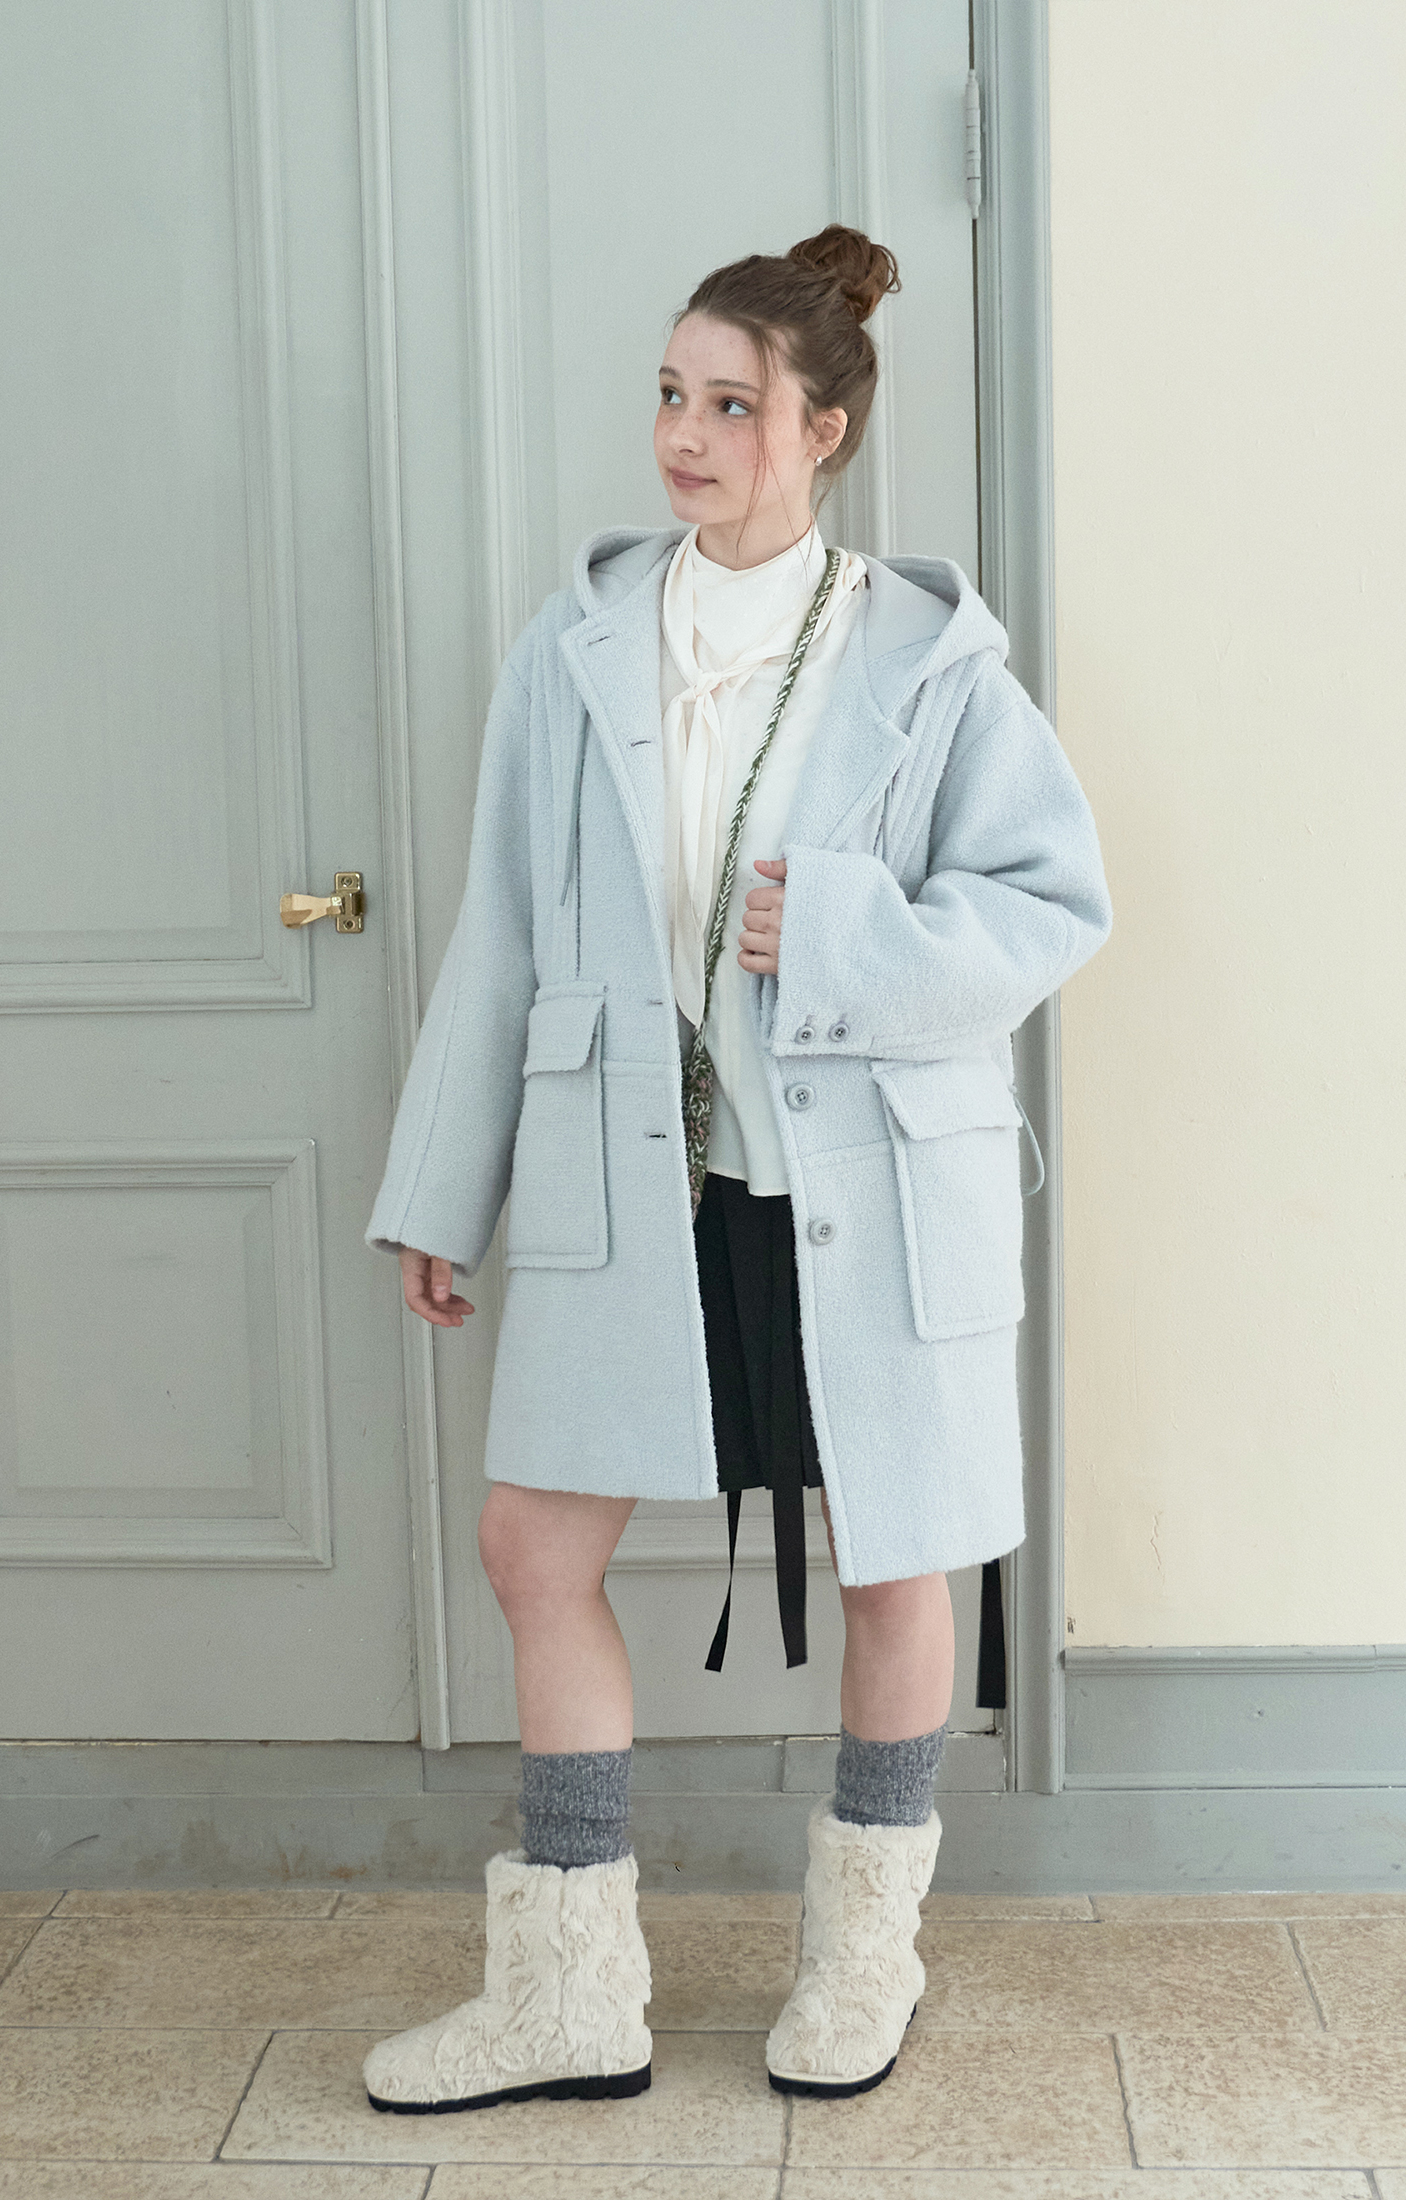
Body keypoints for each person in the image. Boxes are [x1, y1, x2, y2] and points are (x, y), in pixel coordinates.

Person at [358, 226, 1112, 2114]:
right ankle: (568, 1997)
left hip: (867, 1182)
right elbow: (501, 930)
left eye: (728, 404)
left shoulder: (932, 663)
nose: (683, 437)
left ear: (822, 430)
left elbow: (1048, 905)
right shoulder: (580, 644)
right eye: (669, 397)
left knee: (896, 1557)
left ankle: (865, 1963)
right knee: (533, 1543)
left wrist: (844, 932)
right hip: (629, 1174)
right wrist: (442, 1189)